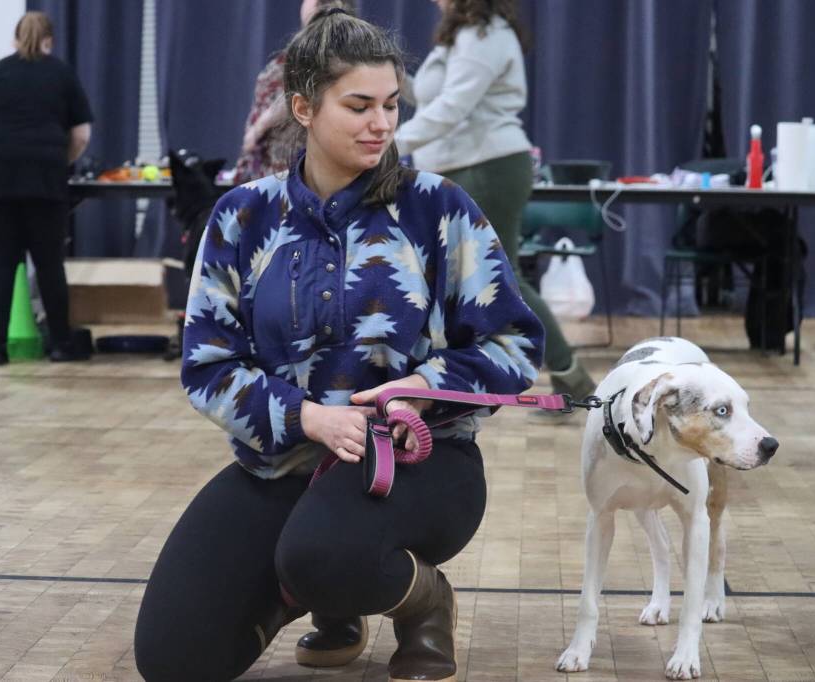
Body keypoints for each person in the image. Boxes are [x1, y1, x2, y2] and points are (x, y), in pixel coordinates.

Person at [133, 7, 543, 682]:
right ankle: (324, 591)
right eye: (359, 106)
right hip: (283, 462)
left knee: (323, 553)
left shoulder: (438, 207)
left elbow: (513, 344)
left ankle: (420, 599)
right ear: (303, 107)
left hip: (421, 464)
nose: (381, 123)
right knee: (174, 661)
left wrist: (420, 389)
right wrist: (306, 418)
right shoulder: (242, 216)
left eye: (390, 104)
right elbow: (207, 367)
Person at [394, 0, 595, 416]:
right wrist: (387, 69)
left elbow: (453, 109)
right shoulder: (461, 34)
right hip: (459, 167)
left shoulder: (487, 34)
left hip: (488, 166)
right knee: (450, 278)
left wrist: (387, 143)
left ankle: (572, 377)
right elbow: (429, 98)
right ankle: (443, 377)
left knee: (505, 276)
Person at [0, 11, 93, 365]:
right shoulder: (61, 73)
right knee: (49, 262)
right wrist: (59, 159)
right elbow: (82, 134)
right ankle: (59, 345)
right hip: (45, 179)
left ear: (15, 37)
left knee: (2, 262)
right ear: (49, 40)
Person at [232, 0, 356, 184]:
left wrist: (260, 127)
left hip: (304, 169)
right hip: (275, 172)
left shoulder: (343, 55)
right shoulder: (291, 56)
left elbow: (300, 91)